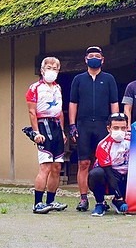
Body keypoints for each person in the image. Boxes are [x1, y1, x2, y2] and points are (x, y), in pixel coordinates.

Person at [69, 46, 119, 212]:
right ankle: (83, 198)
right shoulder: (78, 79)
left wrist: (115, 124)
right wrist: (72, 125)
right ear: (85, 59)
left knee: (103, 162)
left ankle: (102, 198)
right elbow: (73, 103)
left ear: (102, 60)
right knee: (84, 162)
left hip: (102, 124)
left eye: (97, 56)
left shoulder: (109, 78)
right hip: (83, 124)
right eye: (91, 56)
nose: (94, 58)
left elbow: (114, 103)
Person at [25, 56, 68, 214]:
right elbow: (32, 111)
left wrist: (63, 131)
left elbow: (60, 112)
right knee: (45, 166)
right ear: (42, 70)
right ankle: (38, 203)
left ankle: (51, 201)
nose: (52, 70)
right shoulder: (35, 87)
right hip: (43, 125)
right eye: (49, 67)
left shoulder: (58, 88)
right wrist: (36, 132)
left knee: (57, 167)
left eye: (55, 68)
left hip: (56, 126)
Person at [88, 112, 131, 217]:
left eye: (123, 128)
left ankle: (117, 201)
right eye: (116, 128)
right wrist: (119, 196)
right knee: (96, 174)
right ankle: (100, 203)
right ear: (109, 128)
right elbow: (109, 173)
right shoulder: (103, 146)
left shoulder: (135, 139)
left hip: (129, 176)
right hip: (111, 177)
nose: (120, 131)